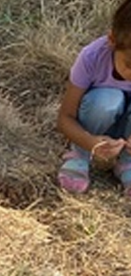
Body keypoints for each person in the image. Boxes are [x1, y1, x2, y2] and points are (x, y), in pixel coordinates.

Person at [56, 0, 131, 194]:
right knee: (107, 100)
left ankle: (127, 163)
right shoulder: (92, 57)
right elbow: (65, 118)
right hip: (94, 125)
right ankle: (79, 155)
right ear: (112, 40)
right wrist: (90, 143)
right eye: (129, 65)